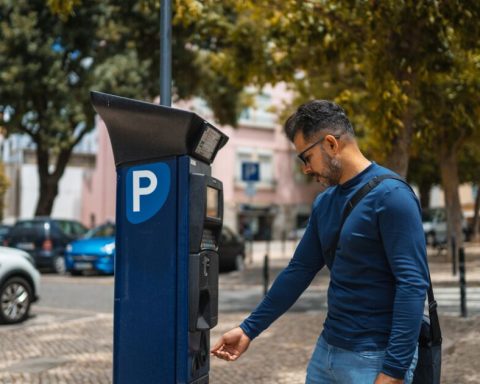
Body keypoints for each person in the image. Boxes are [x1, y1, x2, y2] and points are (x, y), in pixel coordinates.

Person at [211, 100, 429, 384]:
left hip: (374, 357)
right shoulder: (325, 202)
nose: (305, 169)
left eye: (305, 157)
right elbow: (299, 270)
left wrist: (394, 370)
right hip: (327, 352)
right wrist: (249, 329)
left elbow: (412, 284)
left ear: (330, 144)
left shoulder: (392, 196)